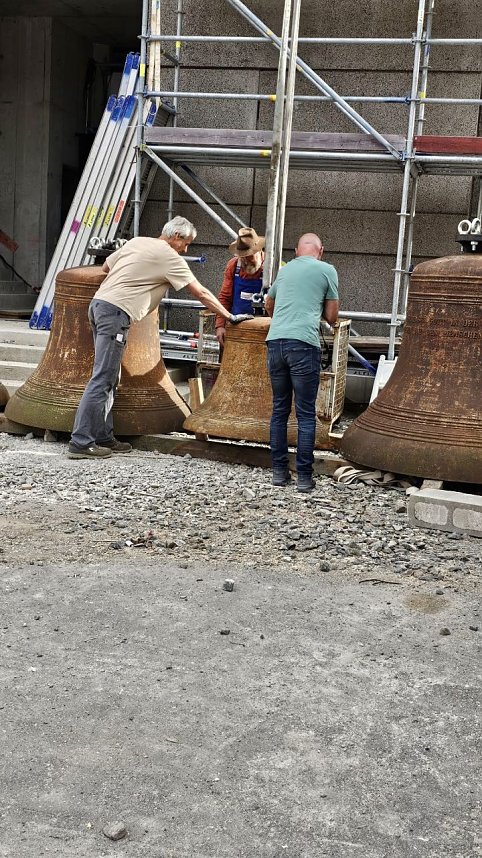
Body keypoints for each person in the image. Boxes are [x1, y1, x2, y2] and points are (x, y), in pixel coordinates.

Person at [68, 216, 253, 459]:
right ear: (176, 236)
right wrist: (228, 316)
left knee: (111, 377)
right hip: (116, 313)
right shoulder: (169, 256)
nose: (185, 249)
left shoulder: (137, 241)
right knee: (103, 378)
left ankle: (103, 436)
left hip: (99, 306)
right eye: (186, 243)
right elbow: (200, 292)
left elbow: (105, 268)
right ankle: (81, 441)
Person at [264, 233, 339, 493]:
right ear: (321, 250)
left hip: (275, 342)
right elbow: (331, 315)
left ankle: (278, 473)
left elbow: (269, 304)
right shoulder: (327, 270)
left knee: (279, 409)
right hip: (304, 344)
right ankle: (304, 478)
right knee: (305, 413)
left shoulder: (284, 271)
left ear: (296, 251)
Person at [215, 227, 265, 347]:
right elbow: (225, 297)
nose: (246, 260)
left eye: (249, 256)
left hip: (263, 330)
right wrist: (220, 325)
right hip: (236, 327)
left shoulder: (272, 267)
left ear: (259, 251)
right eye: (242, 256)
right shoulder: (233, 265)